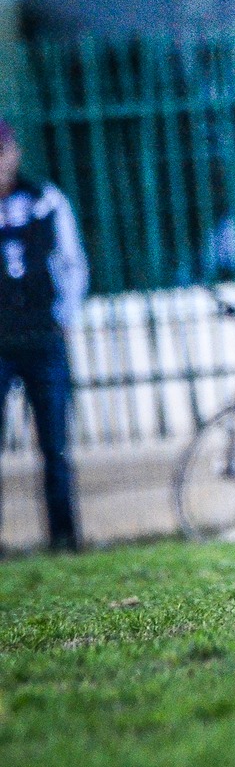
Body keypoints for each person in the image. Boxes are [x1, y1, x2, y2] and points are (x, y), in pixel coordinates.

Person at [0, 120, 87, 551]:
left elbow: (71, 263)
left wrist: (63, 317)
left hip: (42, 338)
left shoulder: (43, 200)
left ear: (13, 152)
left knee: (54, 445)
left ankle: (64, 537)